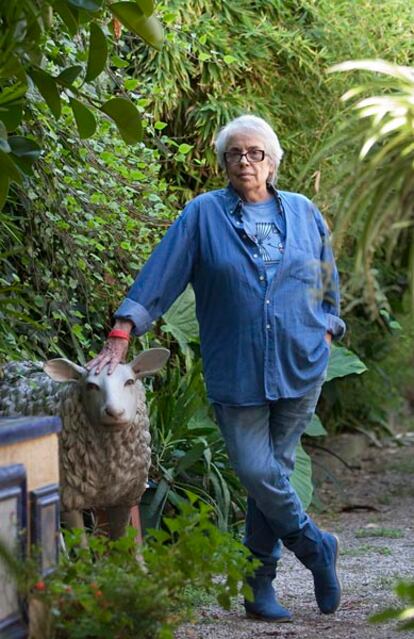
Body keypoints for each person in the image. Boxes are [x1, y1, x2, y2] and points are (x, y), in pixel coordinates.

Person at [87, 114, 345, 623]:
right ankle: (315, 546)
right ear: (223, 162)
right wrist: (124, 329)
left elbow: (326, 278)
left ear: (272, 161)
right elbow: (162, 272)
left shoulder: (304, 211)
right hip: (238, 367)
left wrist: (329, 326)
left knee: (273, 474)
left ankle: (258, 586)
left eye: (254, 153)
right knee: (257, 470)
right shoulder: (204, 214)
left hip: (301, 363)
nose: (244, 162)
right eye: (234, 154)